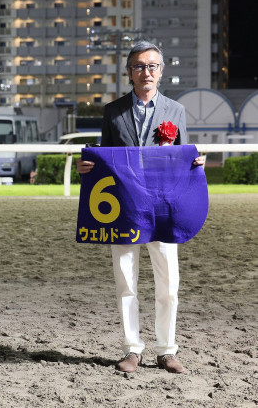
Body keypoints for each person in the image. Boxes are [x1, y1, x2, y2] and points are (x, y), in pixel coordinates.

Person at [77, 40, 205, 374]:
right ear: (129, 72)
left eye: (151, 66)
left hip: (163, 210)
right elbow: (105, 159)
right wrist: (86, 169)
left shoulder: (176, 111)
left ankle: (167, 350)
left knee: (169, 283)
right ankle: (132, 349)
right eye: (139, 66)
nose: (145, 72)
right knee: (126, 282)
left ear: (160, 71)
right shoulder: (113, 111)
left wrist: (196, 163)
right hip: (124, 209)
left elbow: (183, 156)